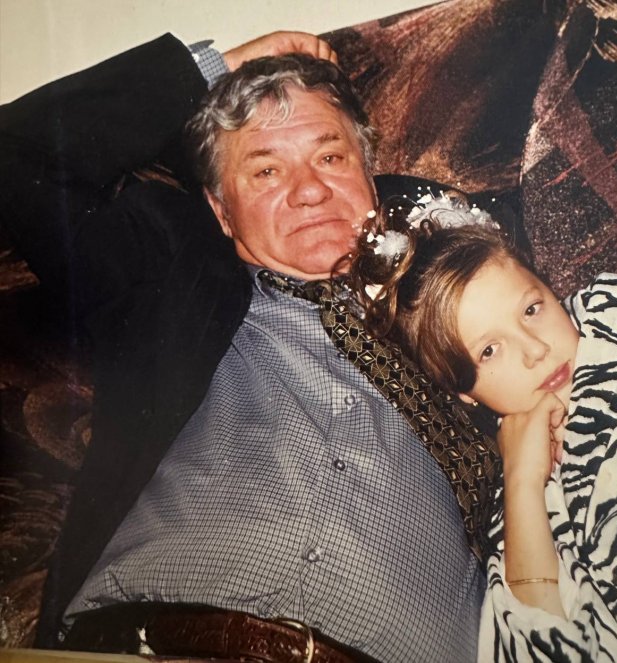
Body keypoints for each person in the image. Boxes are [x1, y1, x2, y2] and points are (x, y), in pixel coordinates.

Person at [0, 31, 496, 662]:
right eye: (265, 170)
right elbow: (15, 153)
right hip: (158, 643)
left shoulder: (474, 312)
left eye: (331, 157)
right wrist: (212, 68)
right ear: (221, 212)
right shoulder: (167, 282)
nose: (310, 190)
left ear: (370, 180)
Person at [349, 193, 617, 662]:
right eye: (489, 351)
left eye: (531, 309)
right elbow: (543, 650)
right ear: (464, 392)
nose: (534, 350)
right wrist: (524, 485)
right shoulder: (523, 519)